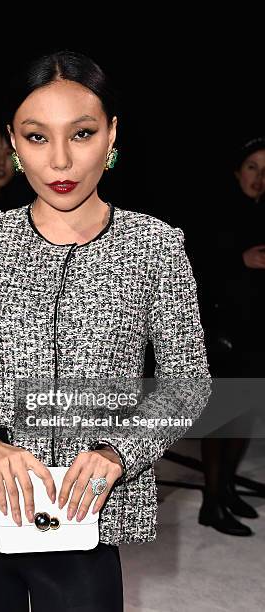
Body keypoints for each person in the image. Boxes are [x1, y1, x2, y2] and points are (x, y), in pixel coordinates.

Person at [0, 51, 210, 612]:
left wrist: (120, 450)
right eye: (37, 137)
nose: (61, 160)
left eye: (83, 133)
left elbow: (186, 382)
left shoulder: (156, 247)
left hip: (87, 515)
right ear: (13, 144)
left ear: (112, 134)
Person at [198, 136, 265, 536]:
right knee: (221, 419)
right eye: (253, 167)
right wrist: (241, 260)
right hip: (225, 332)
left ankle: (225, 490)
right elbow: (197, 269)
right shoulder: (218, 214)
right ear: (238, 172)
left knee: (246, 416)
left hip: (257, 332)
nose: (260, 177)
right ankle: (210, 501)